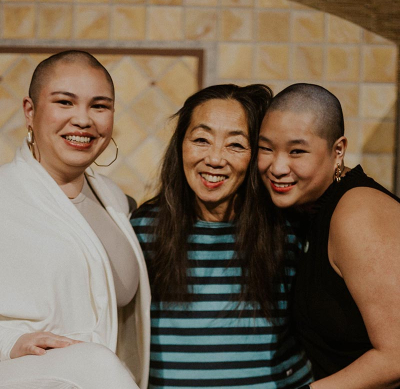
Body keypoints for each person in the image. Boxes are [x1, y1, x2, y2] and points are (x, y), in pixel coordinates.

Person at [131, 84, 313, 389]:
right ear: (180, 146)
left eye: (236, 145)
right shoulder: (142, 230)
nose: (215, 159)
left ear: (258, 154)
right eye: (201, 140)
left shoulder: (287, 230)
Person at [0, 50, 150, 389]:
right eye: (65, 102)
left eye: (99, 106)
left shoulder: (114, 199)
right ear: (30, 110)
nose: (83, 119)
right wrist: (9, 342)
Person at [257, 83, 400, 388]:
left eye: (297, 151)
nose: (277, 166)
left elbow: (397, 354)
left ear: (338, 151)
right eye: (266, 148)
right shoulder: (311, 208)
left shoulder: (357, 212)